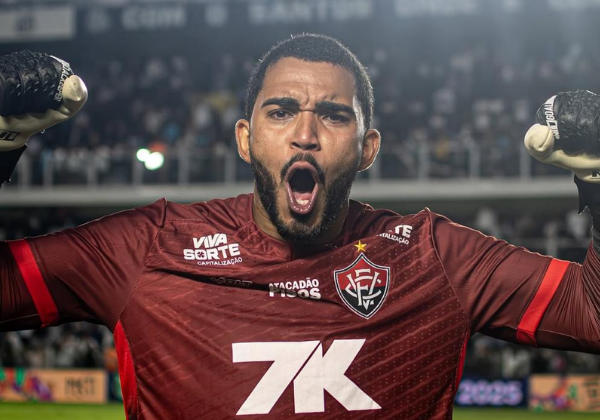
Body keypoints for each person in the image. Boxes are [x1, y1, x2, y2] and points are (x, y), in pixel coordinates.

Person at [1, 34, 600, 420]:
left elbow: (590, 314)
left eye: (334, 116)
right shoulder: (144, 248)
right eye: (281, 110)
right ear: (246, 139)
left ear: (368, 149)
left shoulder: (433, 256)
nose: (305, 134)